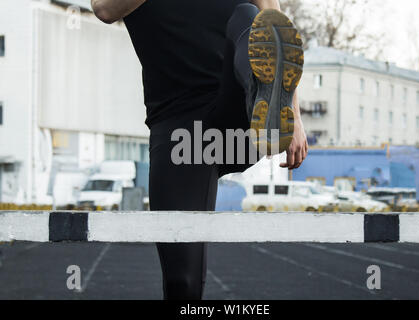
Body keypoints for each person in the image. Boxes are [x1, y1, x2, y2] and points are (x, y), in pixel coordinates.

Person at [91, 0, 308, 300]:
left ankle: (265, 97)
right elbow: (103, 9)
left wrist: (293, 114)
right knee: (182, 281)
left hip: (238, 117)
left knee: (248, 14)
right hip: (182, 135)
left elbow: (274, 23)